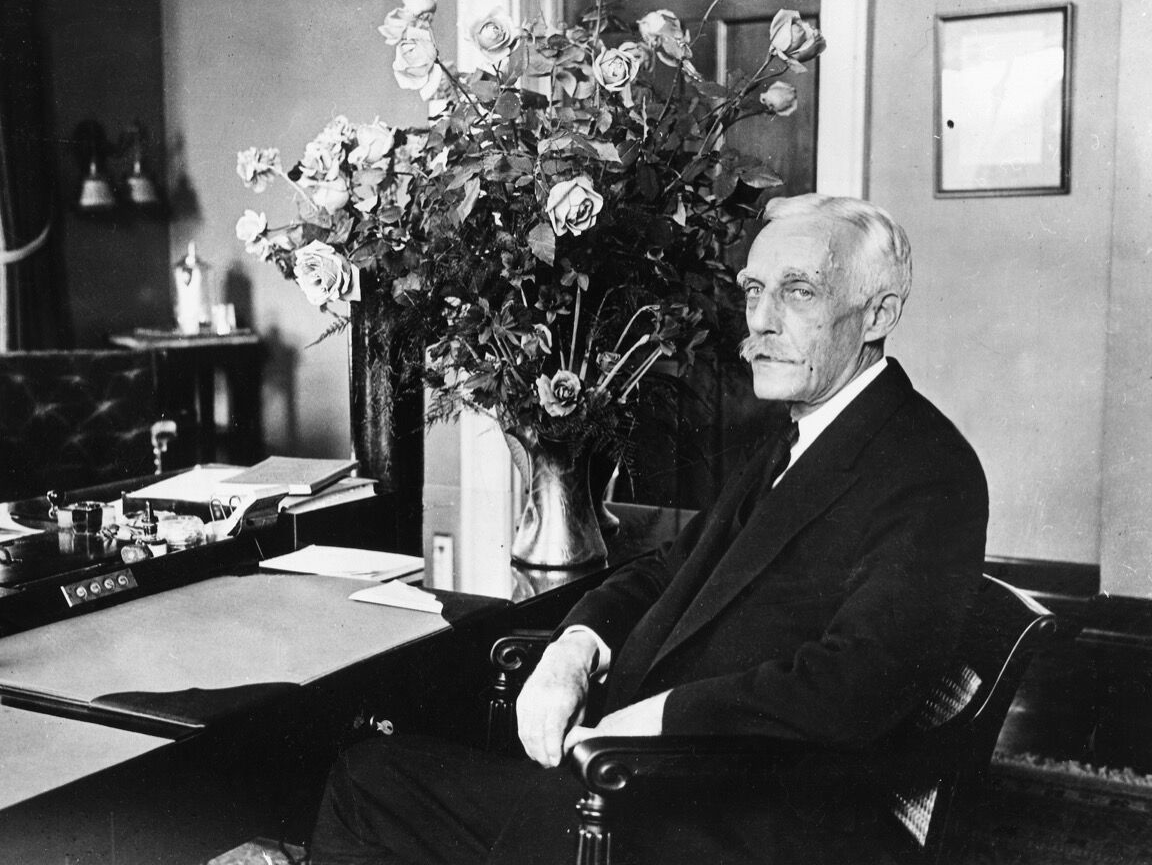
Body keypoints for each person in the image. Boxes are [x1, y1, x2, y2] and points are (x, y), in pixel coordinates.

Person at [309, 194, 989, 865]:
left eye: (799, 293)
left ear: (879, 314)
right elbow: (671, 569)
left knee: (367, 789)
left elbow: (856, 686)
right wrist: (574, 648)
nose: (761, 323)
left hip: (741, 822)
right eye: (754, 291)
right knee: (370, 774)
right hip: (655, 784)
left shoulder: (928, 470)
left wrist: (657, 720)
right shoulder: (802, 434)